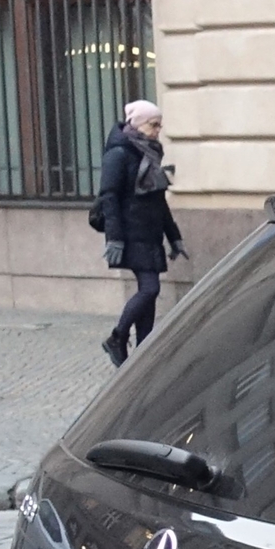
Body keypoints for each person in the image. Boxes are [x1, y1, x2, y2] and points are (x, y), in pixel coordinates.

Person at [93, 100, 185, 365]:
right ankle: (117, 337)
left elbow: (159, 201)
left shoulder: (151, 154)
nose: (157, 130)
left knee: (149, 296)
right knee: (150, 288)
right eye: (152, 124)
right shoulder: (118, 154)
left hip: (151, 232)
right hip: (131, 234)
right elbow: (108, 198)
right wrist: (115, 239)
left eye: (159, 125)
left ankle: (143, 356)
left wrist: (174, 236)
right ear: (136, 124)